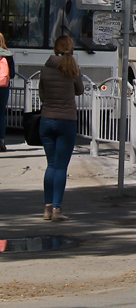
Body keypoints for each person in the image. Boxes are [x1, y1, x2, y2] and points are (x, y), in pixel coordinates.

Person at [39, 35, 85, 221]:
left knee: (51, 165)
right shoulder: (72, 69)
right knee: (61, 167)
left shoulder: (45, 69)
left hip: (46, 120)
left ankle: (47, 209)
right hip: (66, 121)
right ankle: (57, 209)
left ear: (55, 49)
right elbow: (80, 90)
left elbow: (42, 95)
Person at [0, 33, 13, 152]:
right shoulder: (8, 54)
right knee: (1, 113)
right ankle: (1, 141)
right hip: (3, 86)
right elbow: (12, 74)